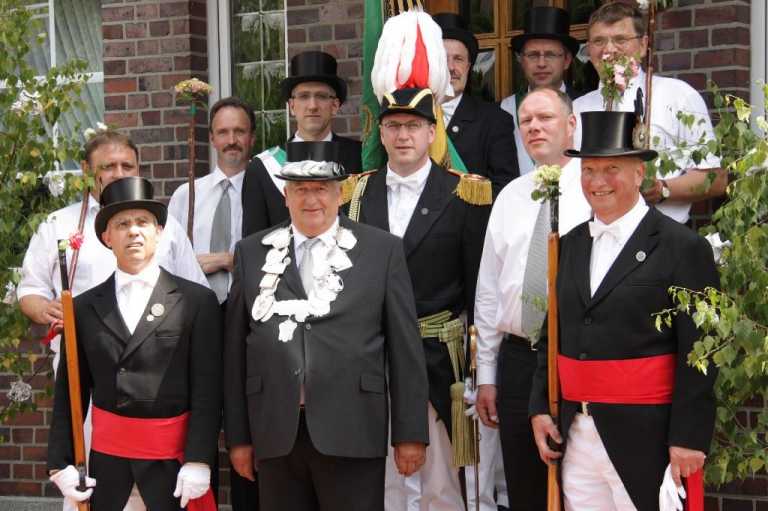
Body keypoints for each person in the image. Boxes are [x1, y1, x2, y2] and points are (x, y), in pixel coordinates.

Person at [529, 110, 719, 511]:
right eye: (589, 170)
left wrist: (689, 436)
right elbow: (553, 334)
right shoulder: (569, 245)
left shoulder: (683, 248)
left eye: (611, 169)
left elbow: (701, 352)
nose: (597, 181)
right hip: (577, 435)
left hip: (648, 438)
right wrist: (541, 407)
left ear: (639, 174)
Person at [224, 140, 428, 511]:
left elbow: (405, 348)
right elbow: (236, 351)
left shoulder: (381, 251)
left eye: (320, 188)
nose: (311, 199)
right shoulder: (251, 253)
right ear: (285, 196)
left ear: (339, 194)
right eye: (300, 189)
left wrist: (410, 432)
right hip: (276, 431)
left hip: (353, 427)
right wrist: (238, 437)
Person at [348, 87, 491, 511]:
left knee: (441, 482)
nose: (402, 135)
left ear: (432, 132)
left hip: (438, 354)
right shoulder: (356, 193)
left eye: (413, 125)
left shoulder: (465, 194)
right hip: (371, 356)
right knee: (379, 479)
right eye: (393, 126)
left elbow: (478, 288)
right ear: (381, 134)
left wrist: (480, 368)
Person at [47, 176, 222, 511]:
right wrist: (60, 463)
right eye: (122, 224)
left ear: (159, 232)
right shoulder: (83, 308)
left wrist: (200, 459)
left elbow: (208, 389)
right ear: (107, 237)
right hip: (108, 468)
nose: (134, 232)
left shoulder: (196, 301)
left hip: (173, 467)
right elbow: (70, 392)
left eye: (143, 222)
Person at [474, 87, 591, 511]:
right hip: (520, 359)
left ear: (571, 125)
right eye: (526, 121)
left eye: (545, 118)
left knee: (579, 486)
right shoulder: (510, 196)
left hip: (576, 358)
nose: (534, 127)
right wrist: (487, 373)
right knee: (524, 488)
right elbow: (489, 290)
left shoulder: (595, 191)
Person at [167, 96, 260, 509]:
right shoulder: (185, 196)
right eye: (223, 132)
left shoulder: (266, 190)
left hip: (248, 320)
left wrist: (222, 259)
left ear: (252, 137)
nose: (232, 140)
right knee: (202, 419)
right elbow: (169, 262)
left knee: (245, 424)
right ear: (211, 138)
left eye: (239, 131)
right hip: (200, 320)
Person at [573, 1, 727, 224]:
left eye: (620, 39)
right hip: (594, 235)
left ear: (643, 45)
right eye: (599, 41)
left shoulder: (678, 96)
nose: (609, 49)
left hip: (661, 236)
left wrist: (662, 189)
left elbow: (716, 179)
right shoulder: (577, 108)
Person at [241, 51, 362, 237]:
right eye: (304, 96)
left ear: (335, 106)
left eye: (321, 96)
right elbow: (254, 242)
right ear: (291, 106)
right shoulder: (262, 168)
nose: (312, 105)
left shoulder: (360, 158)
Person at [432, 13, 520, 198]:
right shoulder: (412, 116)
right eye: (442, 59)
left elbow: (505, 191)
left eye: (458, 59)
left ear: (468, 66)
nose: (451, 67)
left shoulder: (495, 120)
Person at [500, 6, 582, 176]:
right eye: (533, 55)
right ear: (521, 60)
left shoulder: (583, 105)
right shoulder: (504, 110)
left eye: (550, 55)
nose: (541, 64)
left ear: (567, 60)